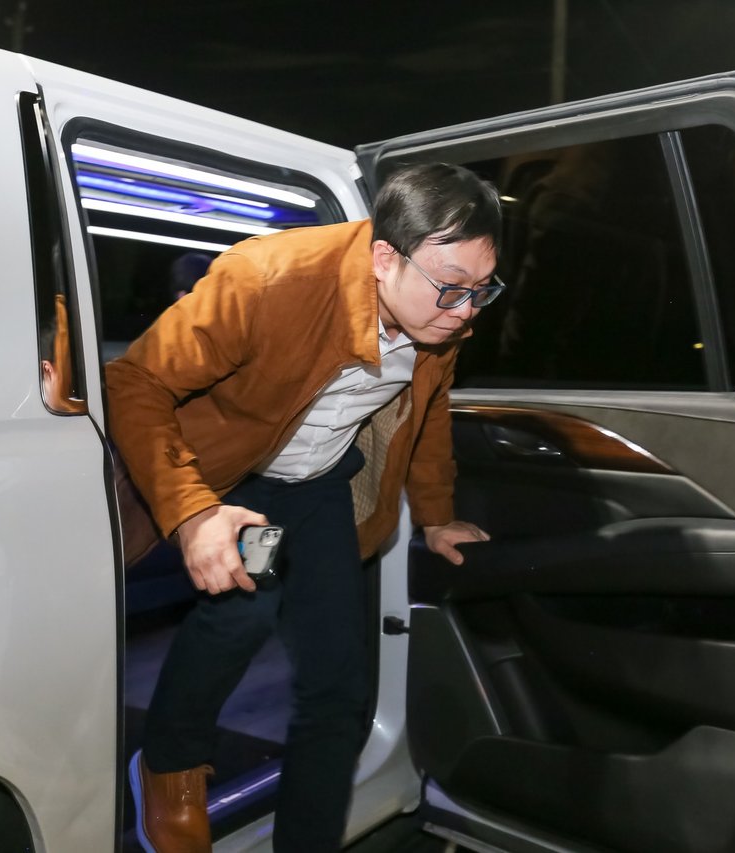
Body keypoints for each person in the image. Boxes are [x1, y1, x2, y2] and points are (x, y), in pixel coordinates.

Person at [105, 162, 505, 853]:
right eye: (452, 287)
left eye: (483, 290)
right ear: (385, 258)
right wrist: (193, 513)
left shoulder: (441, 316)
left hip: (319, 487)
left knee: (339, 687)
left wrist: (437, 515)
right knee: (244, 609)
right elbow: (135, 381)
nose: (466, 310)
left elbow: (429, 415)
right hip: (241, 482)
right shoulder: (268, 280)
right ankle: (169, 762)